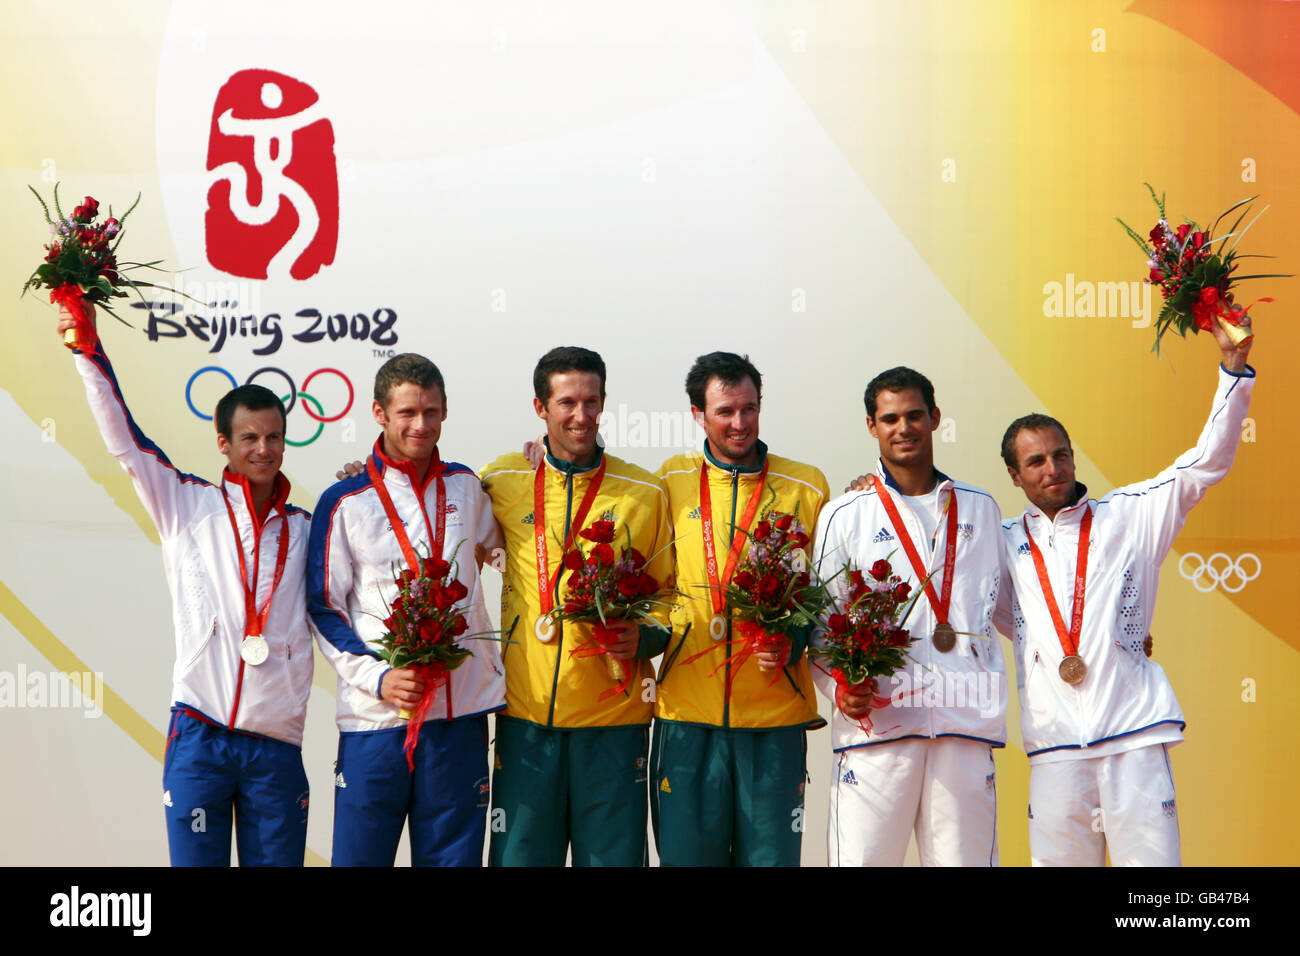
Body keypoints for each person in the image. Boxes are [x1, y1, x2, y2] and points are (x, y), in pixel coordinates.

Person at [57, 302, 314, 866]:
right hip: (200, 734)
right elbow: (126, 442)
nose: (263, 450)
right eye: (248, 437)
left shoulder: (308, 529)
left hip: (275, 747)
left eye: (273, 437)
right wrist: (86, 351)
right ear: (224, 443)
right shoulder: (185, 504)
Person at [997, 321, 1254, 866]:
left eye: (1061, 454)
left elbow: (1206, 462)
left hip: (1133, 739)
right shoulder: (998, 544)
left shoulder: (1132, 514)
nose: (1053, 468)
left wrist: (1233, 370)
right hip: (1055, 750)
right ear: (1014, 476)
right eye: (1036, 461)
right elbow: (987, 606)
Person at [308, 353, 504, 866]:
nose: (422, 425)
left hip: (458, 716)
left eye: (432, 412)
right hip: (377, 721)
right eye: (407, 413)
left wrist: (538, 456)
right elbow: (323, 609)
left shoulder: (467, 486)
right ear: (378, 413)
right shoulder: (345, 500)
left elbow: (514, 550)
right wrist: (378, 678)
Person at [480, 346, 672, 866]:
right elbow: (440, 519)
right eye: (566, 402)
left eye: (591, 401)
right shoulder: (502, 480)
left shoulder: (644, 491)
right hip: (525, 720)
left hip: (613, 722)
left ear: (605, 402)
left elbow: (669, 594)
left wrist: (646, 635)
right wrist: (367, 473)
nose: (580, 416)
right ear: (540, 407)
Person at [812, 367, 1007, 866]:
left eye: (915, 415)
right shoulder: (845, 513)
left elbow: (1011, 608)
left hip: (963, 729)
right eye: (890, 418)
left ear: (935, 418)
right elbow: (819, 623)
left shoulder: (982, 508)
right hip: (878, 729)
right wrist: (839, 686)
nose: (904, 428)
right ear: (872, 427)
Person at [651, 352, 829, 866]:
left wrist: (792, 638)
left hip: (774, 716)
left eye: (749, 409)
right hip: (687, 715)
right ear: (697, 414)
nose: (740, 423)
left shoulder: (807, 487)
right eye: (725, 411)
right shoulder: (667, 482)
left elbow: (824, 594)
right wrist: (538, 453)